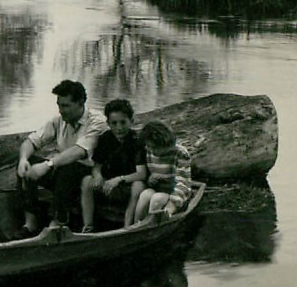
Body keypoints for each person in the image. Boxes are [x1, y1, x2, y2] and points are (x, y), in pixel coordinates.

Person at [16, 80, 108, 235]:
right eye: (59, 105)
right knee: (28, 164)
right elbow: (31, 141)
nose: (60, 110)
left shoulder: (97, 122)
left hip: (89, 173)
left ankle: (57, 223)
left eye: (65, 106)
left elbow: (79, 152)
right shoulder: (59, 120)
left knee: (69, 167)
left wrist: (48, 165)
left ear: (80, 103)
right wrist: (23, 159)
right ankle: (30, 222)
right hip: (62, 171)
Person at [80, 98, 146, 233]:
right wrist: (97, 175)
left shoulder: (136, 141)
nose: (119, 128)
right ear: (108, 123)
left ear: (131, 121)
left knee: (138, 186)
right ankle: (88, 225)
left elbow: (141, 173)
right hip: (108, 182)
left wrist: (119, 179)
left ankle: (127, 226)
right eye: (114, 123)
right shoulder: (106, 138)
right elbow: (97, 165)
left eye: (123, 122)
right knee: (87, 181)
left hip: (128, 183)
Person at [130, 120, 192, 225]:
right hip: (159, 188)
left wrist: (172, 204)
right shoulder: (149, 151)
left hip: (175, 193)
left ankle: (153, 225)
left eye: (153, 147)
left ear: (164, 146)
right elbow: (148, 177)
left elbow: (183, 183)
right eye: (148, 146)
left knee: (156, 199)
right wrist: (150, 181)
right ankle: (137, 224)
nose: (148, 149)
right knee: (145, 195)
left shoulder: (180, 153)